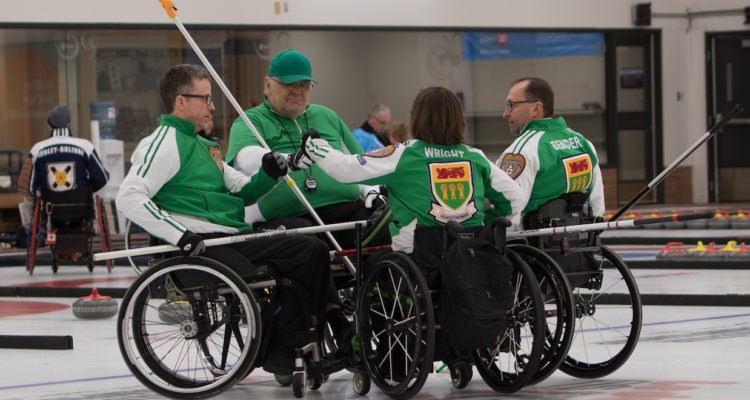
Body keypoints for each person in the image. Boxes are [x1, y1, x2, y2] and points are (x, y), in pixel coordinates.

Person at [115, 63, 333, 375]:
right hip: (204, 244)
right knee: (305, 250)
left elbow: (243, 192)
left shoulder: (205, 146)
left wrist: (270, 173)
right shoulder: (163, 142)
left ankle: (298, 337)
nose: (212, 105)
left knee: (308, 234)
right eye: (204, 98)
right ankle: (285, 348)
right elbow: (129, 195)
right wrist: (180, 235)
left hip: (228, 236)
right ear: (180, 101)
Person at [301, 86, 525, 254]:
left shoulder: (403, 155)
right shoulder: (475, 157)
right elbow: (515, 198)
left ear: (418, 118)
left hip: (418, 250)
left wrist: (315, 147)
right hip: (470, 249)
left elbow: (345, 170)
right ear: (459, 119)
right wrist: (487, 224)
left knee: (372, 259)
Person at [225, 49, 389, 249]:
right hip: (287, 217)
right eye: (288, 84)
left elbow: (359, 161)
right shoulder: (250, 120)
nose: (297, 90)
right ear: (268, 84)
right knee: (310, 246)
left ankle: (374, 279)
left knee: (389, 222)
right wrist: (289, 160)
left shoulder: (327, 116)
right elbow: (246, 157)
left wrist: (368, 189)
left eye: (303, 84)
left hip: (345, 211)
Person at [496, 77, 605, 220]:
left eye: (511, 105)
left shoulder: (522, 150)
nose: (505, 113)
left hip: (528, 240)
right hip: (581, 238)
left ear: (536, 108)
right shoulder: (582, 142)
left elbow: (509, 210)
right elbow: (597, 208)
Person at [16, 105, 110, 247]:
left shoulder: (37, 149)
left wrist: (42, 190)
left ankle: (33, 231)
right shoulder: (85, 146)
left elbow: (29, 186)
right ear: (68, 123)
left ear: (49, 125)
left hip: (50, 208)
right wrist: (87, 189)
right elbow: (102, 177)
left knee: (29, 199)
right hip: (82, 206)